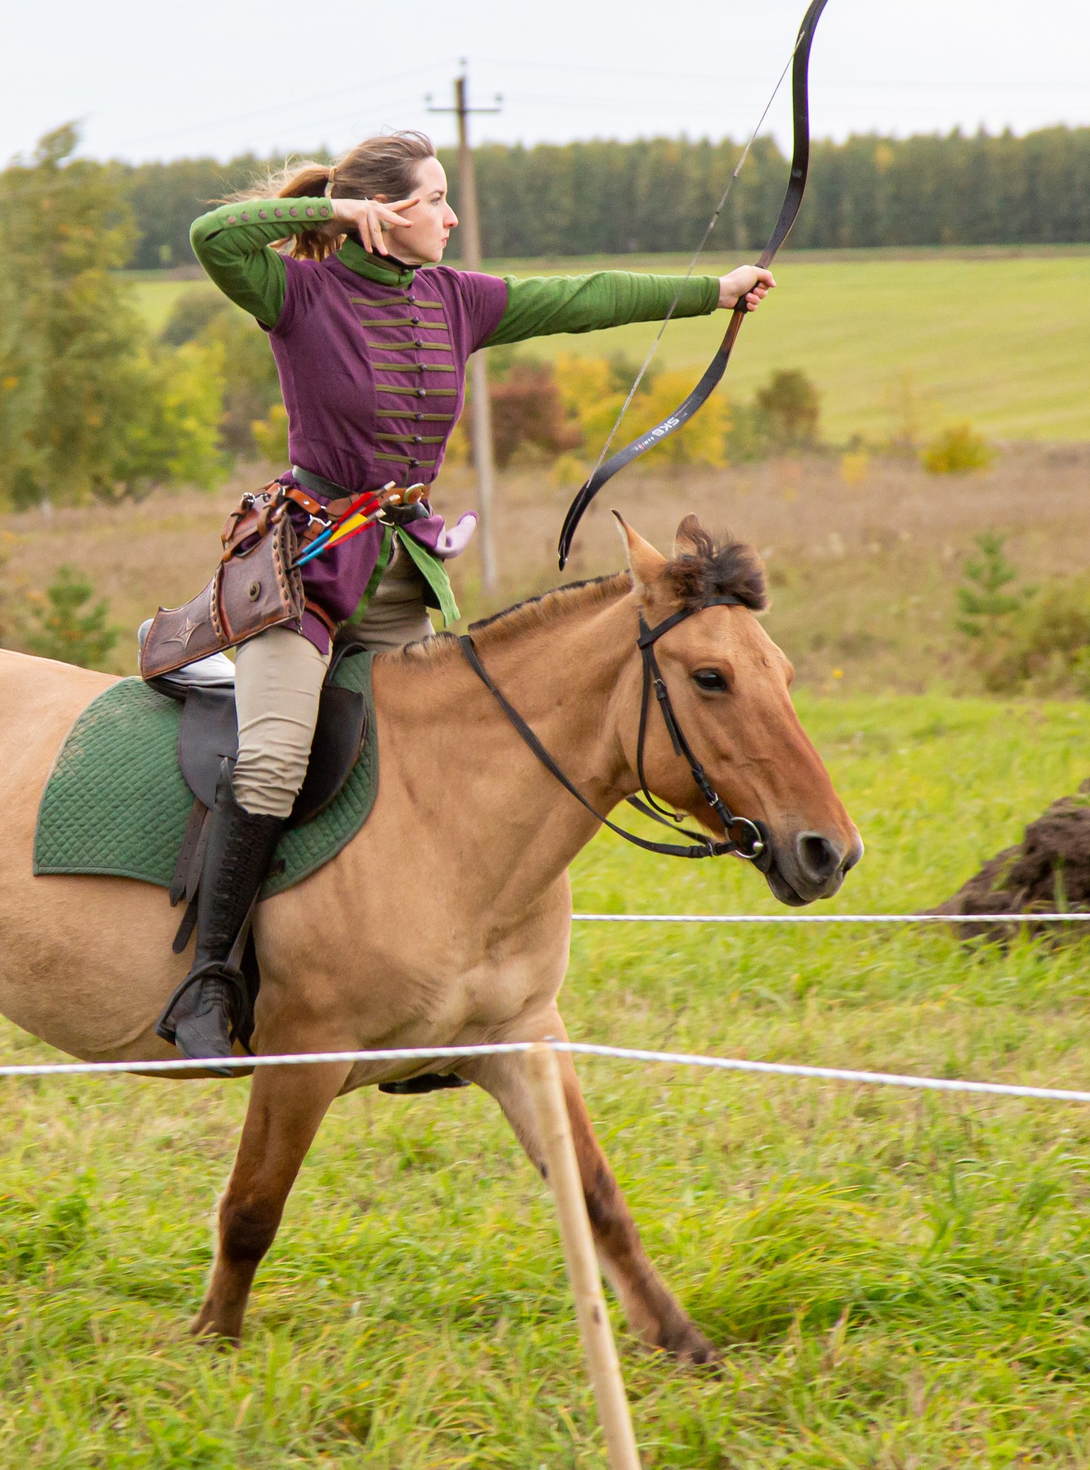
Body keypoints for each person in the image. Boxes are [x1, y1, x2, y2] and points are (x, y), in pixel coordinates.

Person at [155, 129, 775, 1063]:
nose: (449, 217)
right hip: (304, 575)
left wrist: (712, 293)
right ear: (387, 210)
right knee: (276, 759)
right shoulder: (297, 292)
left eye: (447, 197)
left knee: (431, 764)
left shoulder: (455, 298)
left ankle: (413, 993)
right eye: (435, 198)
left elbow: (583, 297)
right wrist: (335, 211)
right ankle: (209, 980)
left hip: (399, 576)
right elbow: (213, 237)